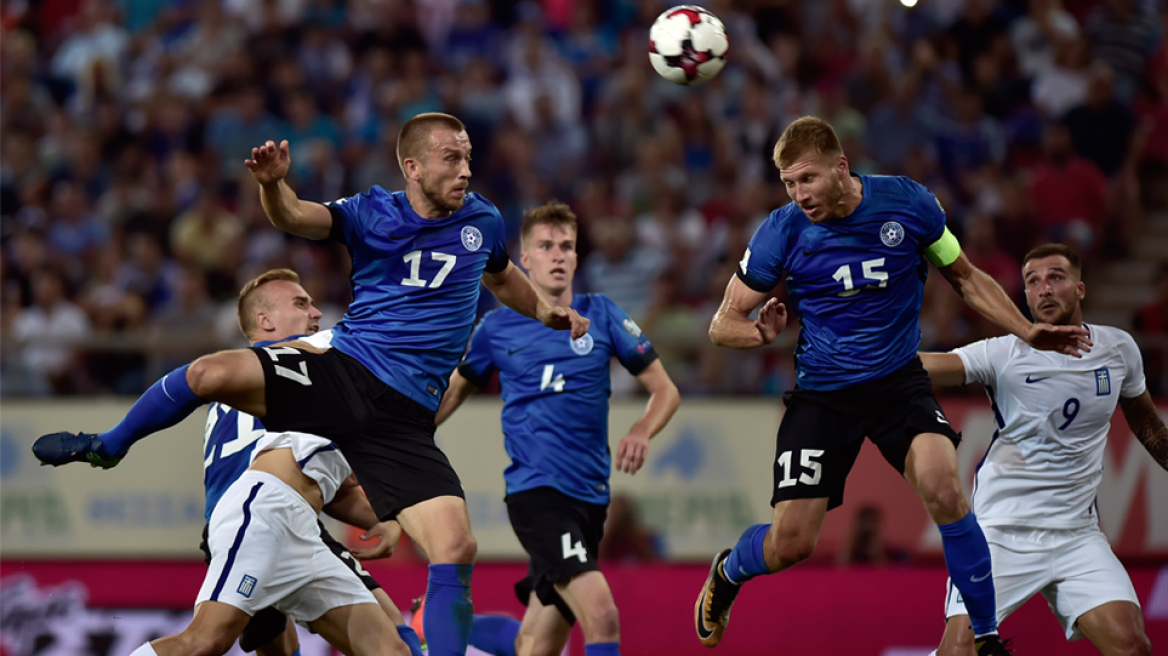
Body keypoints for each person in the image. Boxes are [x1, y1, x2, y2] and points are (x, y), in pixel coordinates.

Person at [32, 112, 589, 656]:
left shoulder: (483, 220)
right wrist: (273, 186)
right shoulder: (372, 211)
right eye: (451, 158)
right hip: (348, 374)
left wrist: (544, 311)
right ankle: (109, 445)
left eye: (467, 157)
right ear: (413, 167)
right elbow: (296, 216)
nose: (465, 170)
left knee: (456, 547)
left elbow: (503, 278)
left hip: (403, 419)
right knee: (208, 373)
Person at [692, 116, 1090, 655]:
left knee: (945, 489)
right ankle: (729, 570)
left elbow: (965, 276)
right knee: (791, 544)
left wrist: (1025, 329)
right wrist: (758, 334)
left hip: (899, 382)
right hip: (824, 395)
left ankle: (986, 637)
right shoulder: (781, 231)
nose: (798, 194)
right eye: (787, 183)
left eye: (807, 179)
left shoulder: (909, 204)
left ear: (840, 167)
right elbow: (722, 324)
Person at [433, 202, 680, 656]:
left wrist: (642, 429)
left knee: (534, 645)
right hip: (538, 496)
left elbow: (665, 390)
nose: (558, 255)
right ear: (524, 259)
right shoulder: (497, 327)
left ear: (577, 257)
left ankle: (429, 625)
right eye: (546, 246)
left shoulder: (602, 313)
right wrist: (402, 445)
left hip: (591, 500)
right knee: (602, 615)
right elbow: (451, 393)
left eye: (566, 246)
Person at [923, 244, 1164, 656]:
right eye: (1033, 281)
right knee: (959, 652)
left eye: (1056, 277)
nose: (1044, 288)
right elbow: (927, 366)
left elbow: (1147, 425)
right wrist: (855, 361)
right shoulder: (1002, 353)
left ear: (1080, 288)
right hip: (1001, 534)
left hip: (1077, 537)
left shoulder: (1119, 349)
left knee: (1132, 646)